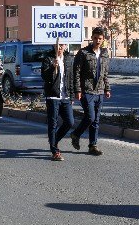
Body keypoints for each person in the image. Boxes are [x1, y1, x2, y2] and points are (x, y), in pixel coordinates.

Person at [71, 27, 111, 156]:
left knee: (96, 120)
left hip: (99, 91)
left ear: (103, 39)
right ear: (92, 38)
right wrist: (77, 90)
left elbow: (105, 73)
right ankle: (76, 134)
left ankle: (92, 145)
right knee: (90, 117)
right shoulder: (83, 53)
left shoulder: (104, 53)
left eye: (100, 38)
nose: (97, 41)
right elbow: (76, 72)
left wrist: (107, 88)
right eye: (95, 38)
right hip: (86, 90)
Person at [42, 43, 75, 161]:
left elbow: (71, 78)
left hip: (65, 96)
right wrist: (52, 67)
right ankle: (55, 151)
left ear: (66, 46)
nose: (60, 47)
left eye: (62, 45)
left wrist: (71, 96)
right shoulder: (48, 58)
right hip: (53, 96)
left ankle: (54, 140)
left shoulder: (69, 58)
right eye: (57, 45)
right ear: (54, 46)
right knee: (53, 123)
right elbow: (44, 77)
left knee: (70, 122)